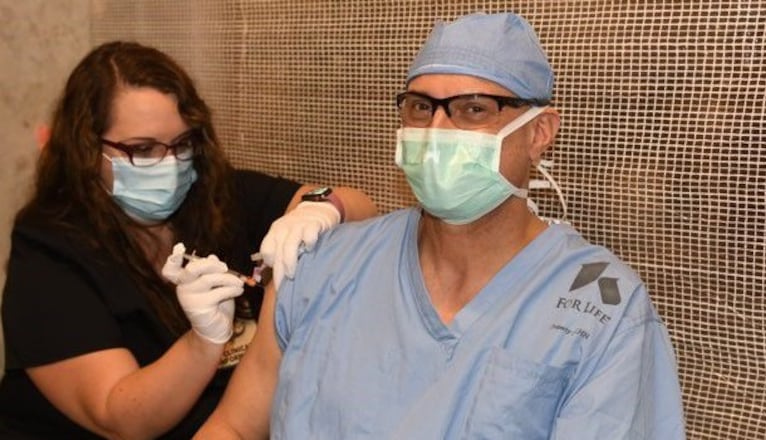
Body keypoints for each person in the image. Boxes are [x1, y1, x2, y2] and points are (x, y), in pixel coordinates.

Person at [197, 11, 686, 439]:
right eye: (421, 107)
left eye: (473, 110)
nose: (436, 134)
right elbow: (235, 427)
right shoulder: (322, 266)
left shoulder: (600, 307)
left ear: (539, 133)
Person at [0, 41, 377, 439]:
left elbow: (361, 206)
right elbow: (121, 416)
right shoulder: (49, 250)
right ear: (86, 149)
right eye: (143, 150)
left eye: (182, 145)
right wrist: (203, 343)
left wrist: (322, 209)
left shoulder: (218, 197)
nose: (169, 164)